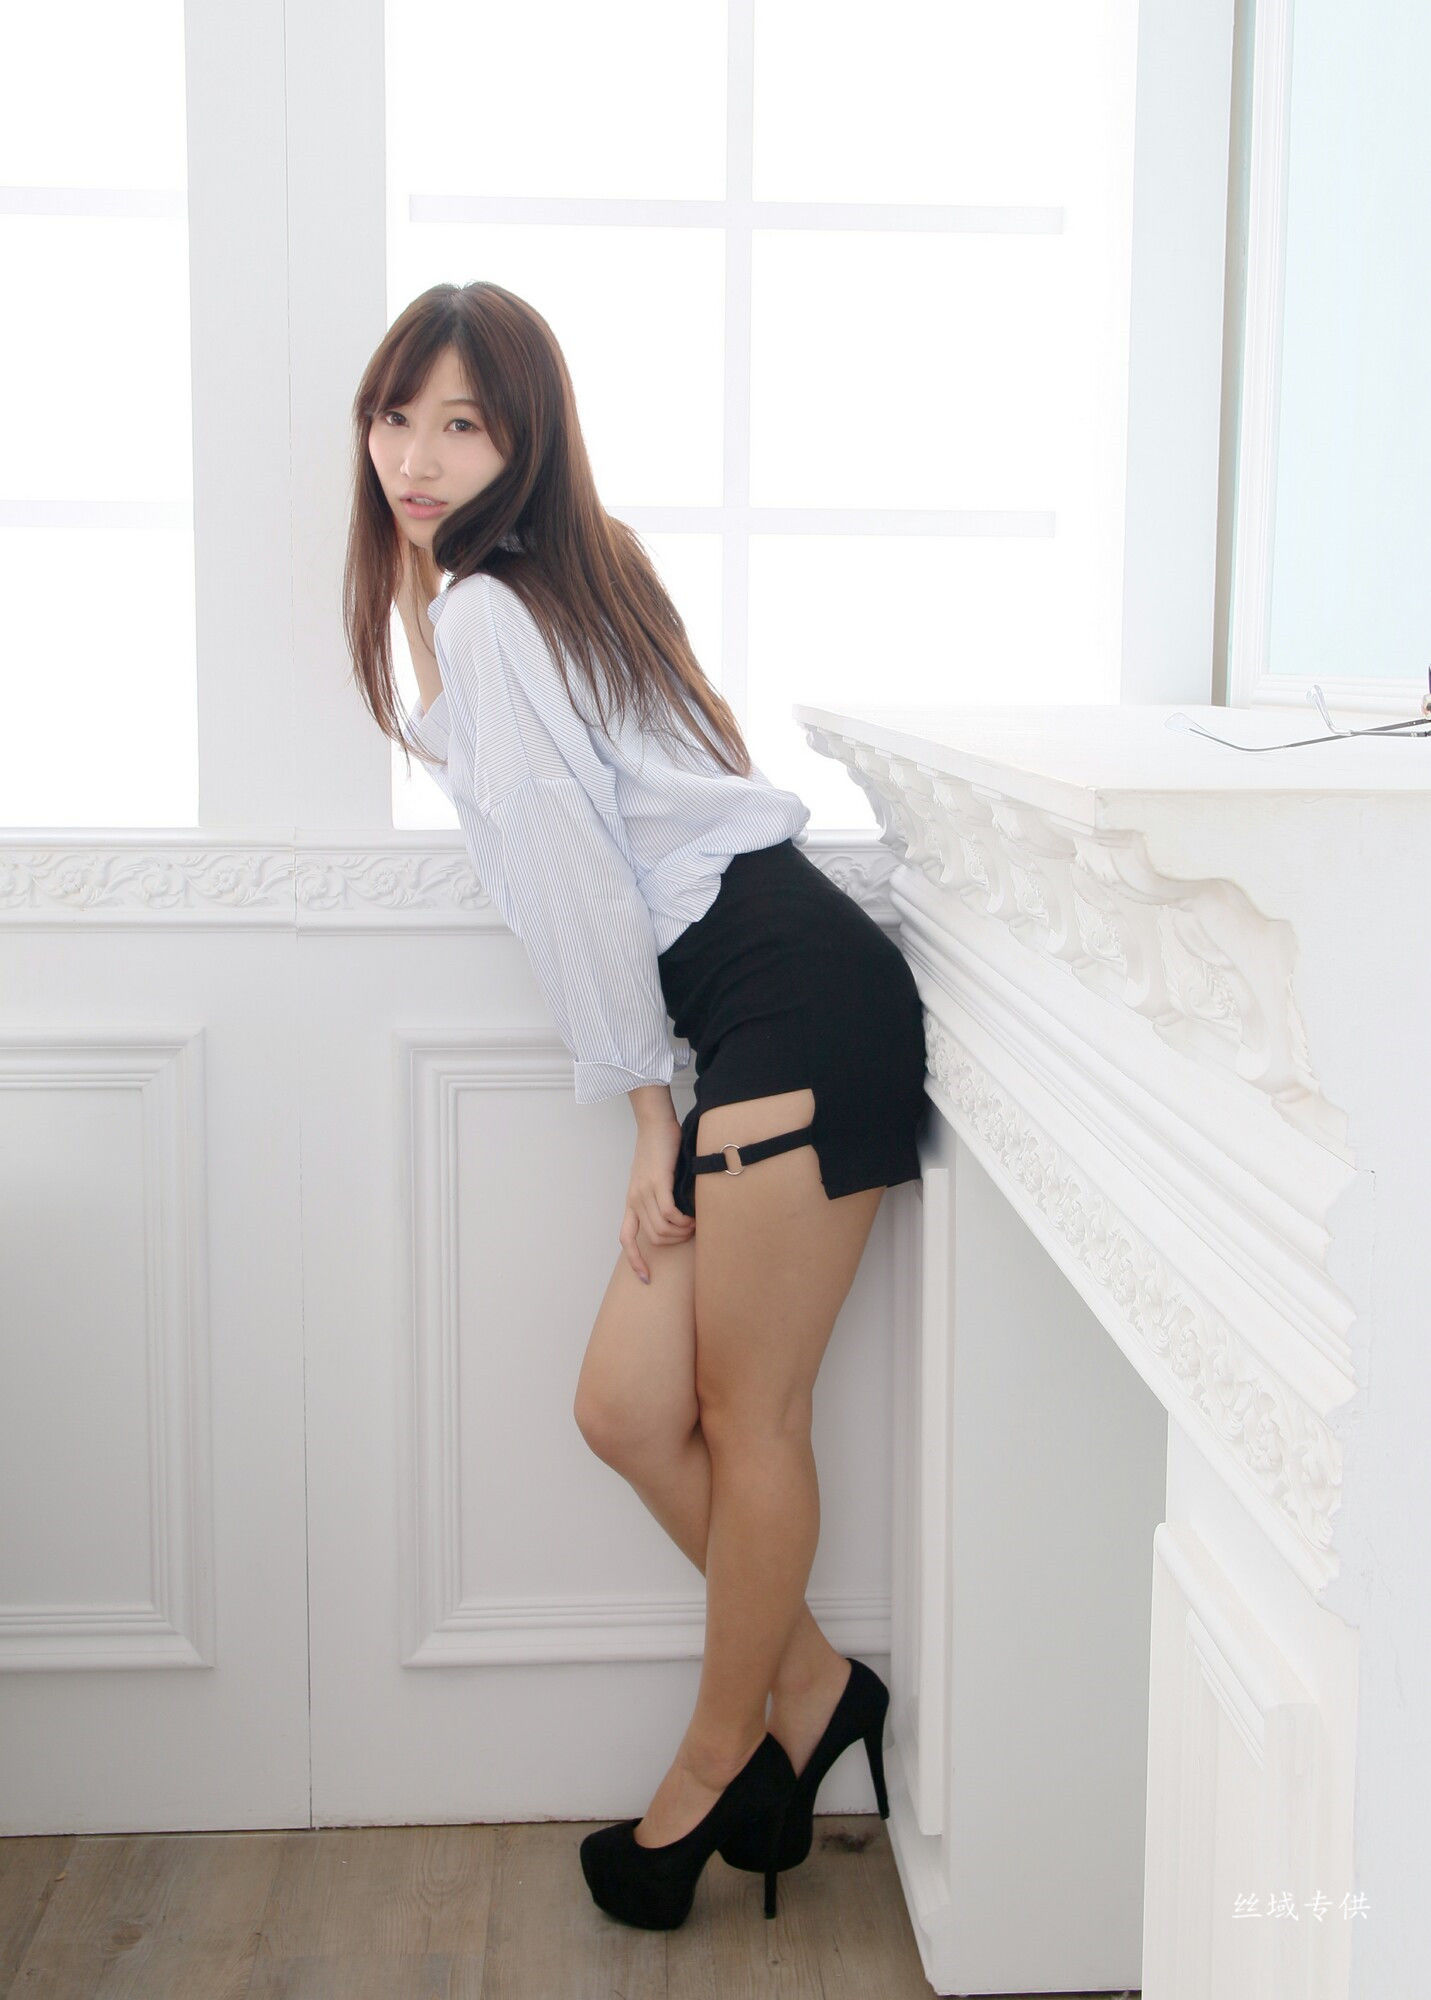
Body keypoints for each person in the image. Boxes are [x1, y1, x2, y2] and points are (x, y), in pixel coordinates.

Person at [345, 281, 929, 1932]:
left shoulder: (498, 607)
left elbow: (580, 885)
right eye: (396, 417)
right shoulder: (548, 579)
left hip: (783, 1006)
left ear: (524, 438)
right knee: (624, 1407)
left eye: (463, 424)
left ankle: (708, 1779)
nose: (417, 458)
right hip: (771, 998)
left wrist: (647, 1118)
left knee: (752, 1418)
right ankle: (816, 1690)